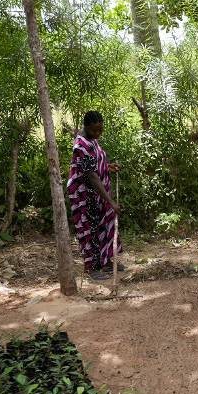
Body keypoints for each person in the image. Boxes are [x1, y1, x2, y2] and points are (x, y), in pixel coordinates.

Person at [67, 110, 124, 280]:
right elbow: (91, 175)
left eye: (100, 130)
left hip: (98, 193)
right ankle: (91, 268)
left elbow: (95, 164)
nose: (97, 133)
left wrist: (107, 166)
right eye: (94, 130)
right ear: (85, 126)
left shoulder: (91, 140)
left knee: (103, 225)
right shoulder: (80, 145)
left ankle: (105, 262)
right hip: (84, 194)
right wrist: (111, 202)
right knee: (89, 228)